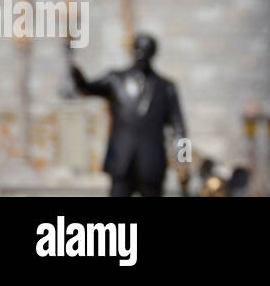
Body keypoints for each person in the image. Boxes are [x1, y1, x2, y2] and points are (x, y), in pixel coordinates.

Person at [69, 32, 190, 197]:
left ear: (153, 53)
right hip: (121, 159)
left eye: (146, 50)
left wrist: (183, 159)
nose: (141, 54)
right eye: (138, 49)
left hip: (152, 160)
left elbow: (179, 128)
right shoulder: (115, 79)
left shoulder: (166, 87)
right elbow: (87, 88)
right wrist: (76, 76)